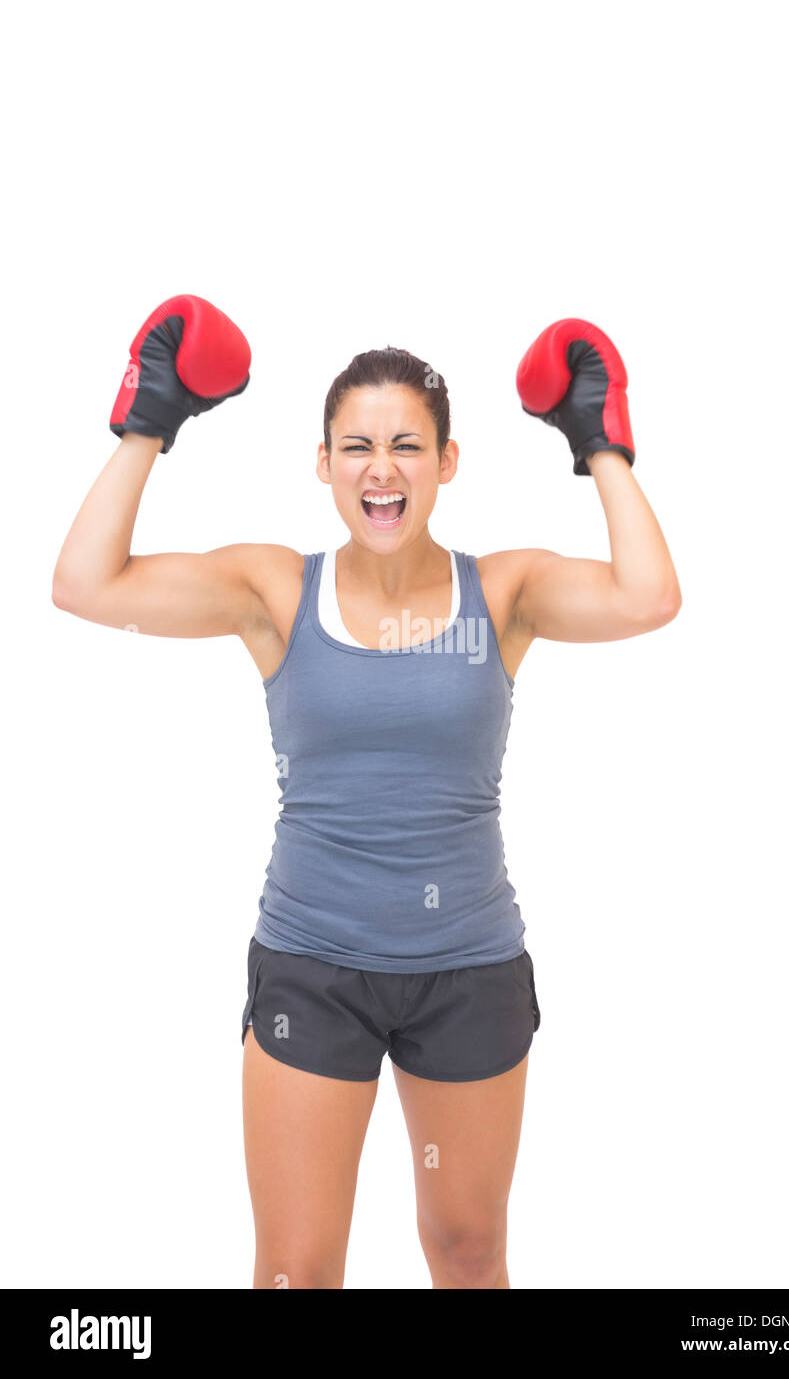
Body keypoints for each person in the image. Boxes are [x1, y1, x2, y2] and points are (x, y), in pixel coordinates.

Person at [52, 298, 682, 1290]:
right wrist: (150, 421)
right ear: (323, 465)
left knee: (467, 1253)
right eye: (355, 446)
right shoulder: (275, 591)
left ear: (446, 462)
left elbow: (647, 597)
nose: (379, 468)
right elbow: (85, 584)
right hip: (313, 965)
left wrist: (599, 440)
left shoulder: (504, 593)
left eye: (404, 445)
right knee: (296, 1273)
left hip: (467, 968)